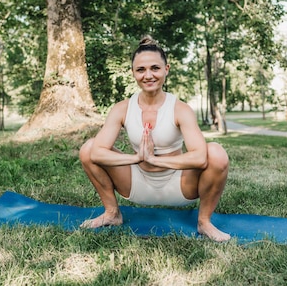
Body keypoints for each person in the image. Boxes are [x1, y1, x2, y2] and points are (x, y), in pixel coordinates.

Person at [79, 36, 231, 242]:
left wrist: (154, 159)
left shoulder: (180, 109)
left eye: (155, 68)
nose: (148, 75)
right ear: (133, 73)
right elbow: (97, 153)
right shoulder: (122, 108)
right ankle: (112, 213)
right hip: (136, 183)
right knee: (88, 148)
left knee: (216, 153)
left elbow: (200, 158)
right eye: (141, 70)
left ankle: (204, 222)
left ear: (166, 69)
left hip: (178, 185)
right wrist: (138, 158)